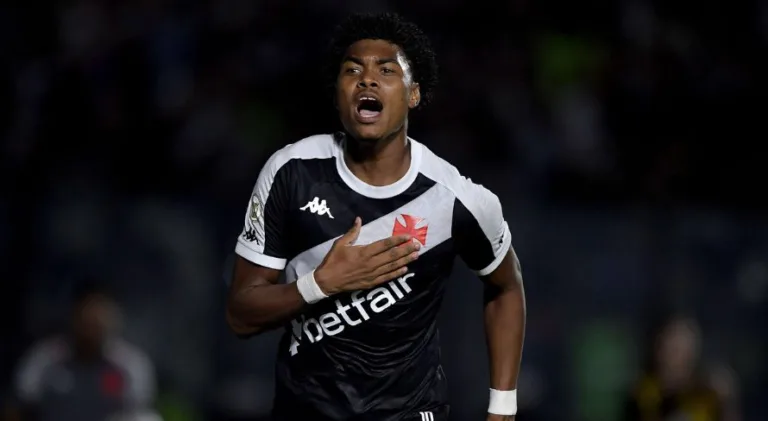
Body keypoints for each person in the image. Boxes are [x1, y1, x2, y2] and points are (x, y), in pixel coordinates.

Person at [226, 12, 526, 421]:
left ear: (414, 94)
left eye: (386, 70)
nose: (367, 79)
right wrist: (320, 284)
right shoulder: (291, 172)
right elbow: (240, 316)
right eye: (352, 70)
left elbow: (506, 288)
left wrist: (503, 409)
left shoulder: (456, 199)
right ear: (337, 95)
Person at [11, 284, 157, 421]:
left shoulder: (130, 363)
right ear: (75, 316)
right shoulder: (45, 357)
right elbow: (20, 404)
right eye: (87, 319)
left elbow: (138, 408)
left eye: (98, 319)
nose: (92, 326)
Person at [624, 316, 724, 421]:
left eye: (681, 348)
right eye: (673, 347)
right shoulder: (643, 392)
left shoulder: (706, 393)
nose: (676, 355)